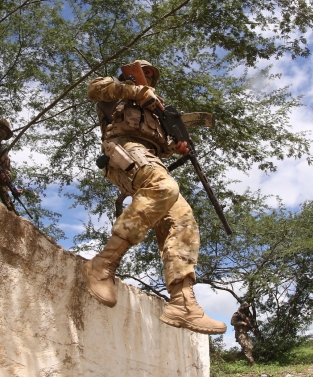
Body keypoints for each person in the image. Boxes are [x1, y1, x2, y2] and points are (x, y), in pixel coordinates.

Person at [82, 59, 226, 335]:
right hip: (124, 151)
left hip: (149, 160)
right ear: (130, 72)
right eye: (142, 72)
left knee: (182, 218)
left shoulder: (156, 113)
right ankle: (103, 265)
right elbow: (94, 90)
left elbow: (163, 146)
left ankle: (183, 303)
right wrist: (137, 90)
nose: (146, 77)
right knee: (165, 187)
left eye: (150, 75)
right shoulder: (119, 90)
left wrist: (177, 146)